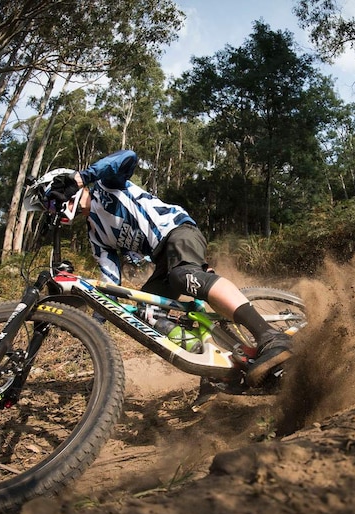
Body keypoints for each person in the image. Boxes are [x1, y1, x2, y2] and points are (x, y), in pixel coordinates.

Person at [50, 150, 291, 385]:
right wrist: (93, 325)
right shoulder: (95, 234)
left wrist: (82, 177)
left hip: (177, 232)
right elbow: (110, 282)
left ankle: (270, 337)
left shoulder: (107, 184)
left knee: (183, 276)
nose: (52, 208)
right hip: (162, 260)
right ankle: (220, 370)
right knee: (148, 312)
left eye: (53, 201)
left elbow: (128, 157)